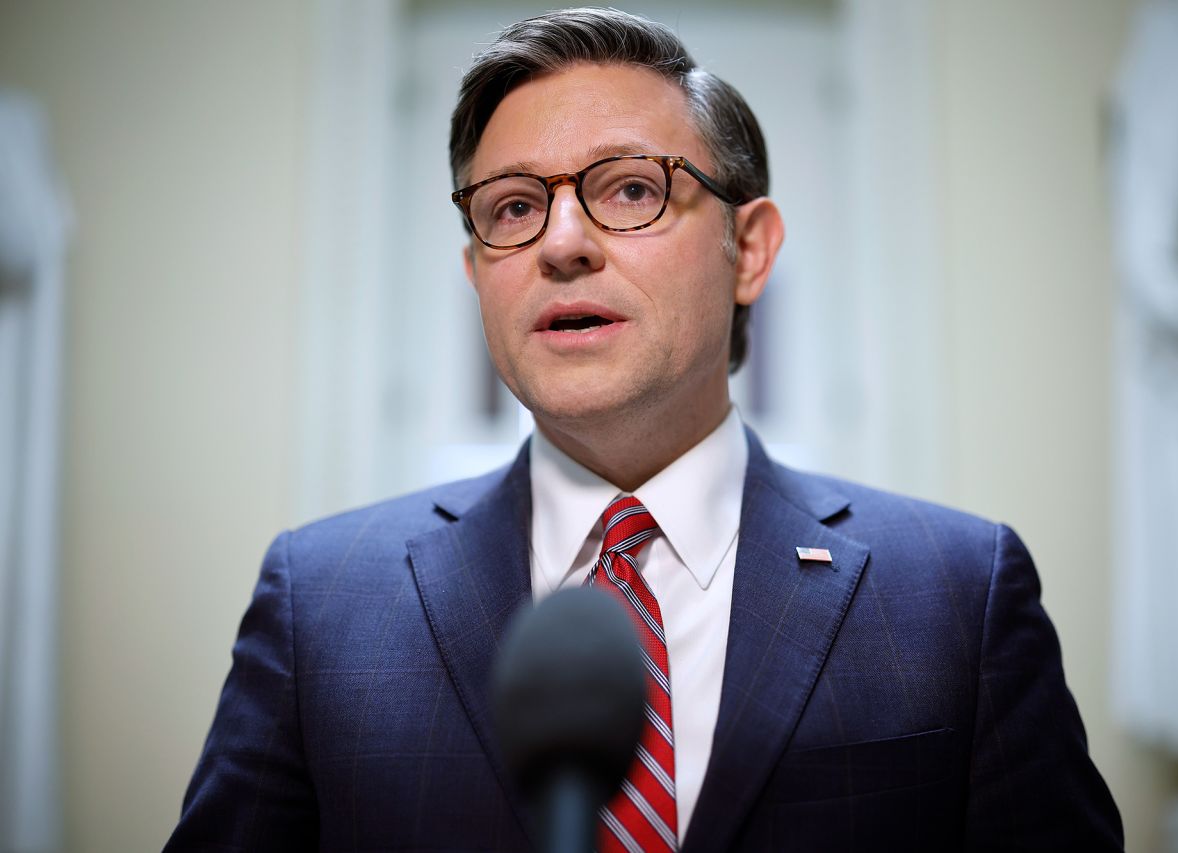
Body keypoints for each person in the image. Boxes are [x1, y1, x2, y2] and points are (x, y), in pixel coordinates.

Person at [165, 8, 1123, 852]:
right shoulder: (320, 604)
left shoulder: (958, 595)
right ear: (476, 277)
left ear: (748, 250)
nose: (562, 242)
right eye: (513, 207)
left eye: (629, 189)